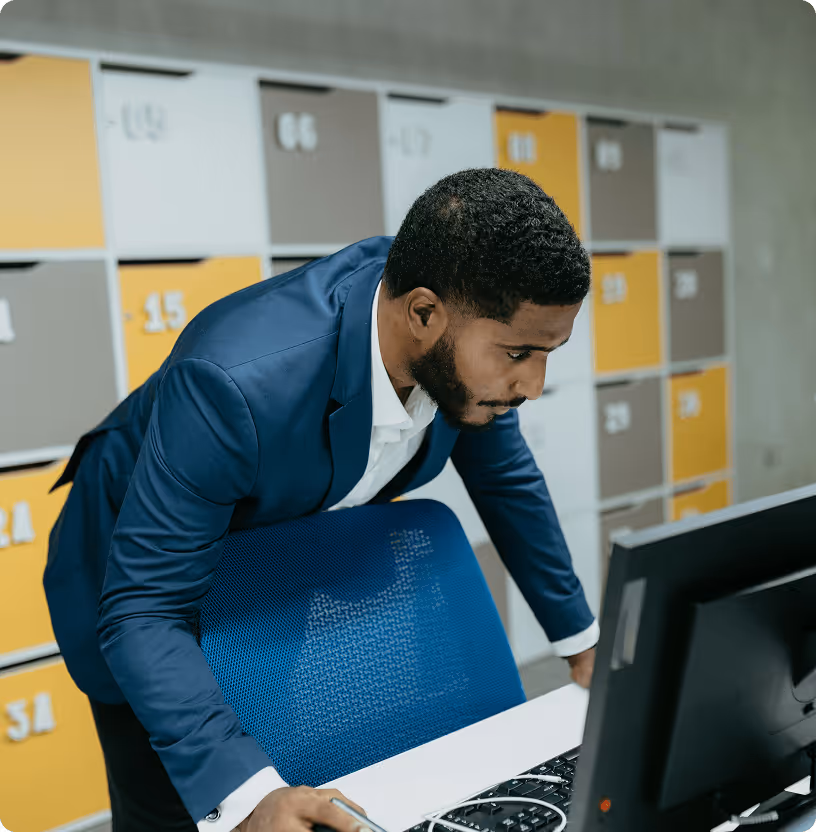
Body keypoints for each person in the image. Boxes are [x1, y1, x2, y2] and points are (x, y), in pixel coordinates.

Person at [44, 168, 598, 832]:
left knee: (277, 753)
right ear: (423, 314)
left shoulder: (463, 328)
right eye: (519, 354)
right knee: (193, 795)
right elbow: (143, 610)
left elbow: (507, 482)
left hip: (268, 548)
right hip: (137, 580)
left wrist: (586, 645)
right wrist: (246, 797)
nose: (533, 385)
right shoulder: (233, 382)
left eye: (547, 355)